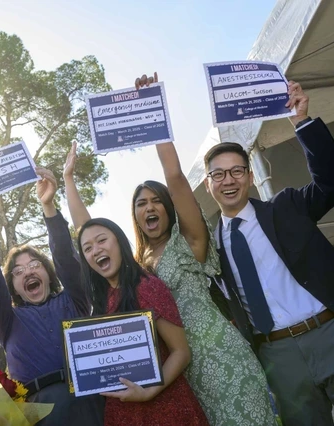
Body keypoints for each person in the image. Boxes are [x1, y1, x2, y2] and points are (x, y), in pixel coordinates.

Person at [130, 72, 275, 425]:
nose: (149, 207)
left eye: (156, 201)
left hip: (220, 355)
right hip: (177, 373)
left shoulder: (189, 242)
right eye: (141, 203)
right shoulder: (135, 264)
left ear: (168, 208)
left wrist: (154, 113)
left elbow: (176, 177)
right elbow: (94, 238)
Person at [204, 81, 334, 426]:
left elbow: (331, 181)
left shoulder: (287, 206)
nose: (228, 180)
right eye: (218, 174)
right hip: (278, 356)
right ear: (208, 184)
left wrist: (301, 122)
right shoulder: (209, 248)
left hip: (328, 332)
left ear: (249, 177)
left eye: (236, 171)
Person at [0, 167, 104, 426]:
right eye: (18, 271)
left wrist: (48, 207)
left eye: (35, 265)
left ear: (48, 273)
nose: (28, 272)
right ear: (13, 285)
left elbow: (67, 260)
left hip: (91, 400)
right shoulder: (7, 320)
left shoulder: (74, 300)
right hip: (41, 410)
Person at [76, 217, 208, 426]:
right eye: (87, 248)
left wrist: (148, 392)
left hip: (165, 410)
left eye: (102, 240)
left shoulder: (148, 287)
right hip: (122, 414)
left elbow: (181, 352)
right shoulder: (100, 303)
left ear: (119, 241)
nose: (96, 250)